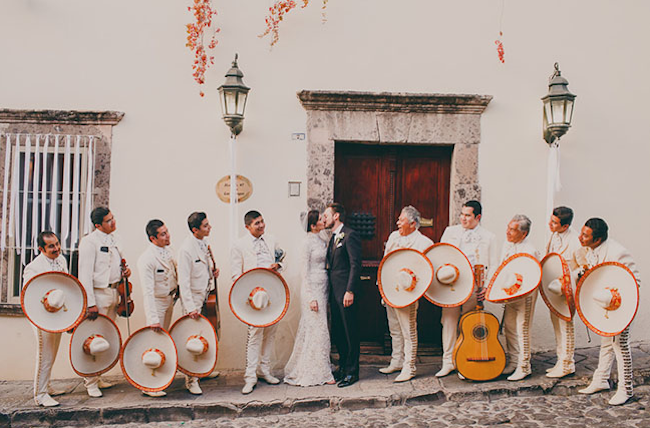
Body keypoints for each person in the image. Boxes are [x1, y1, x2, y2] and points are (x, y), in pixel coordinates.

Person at [574, 218, 641, 406]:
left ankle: (626, 389)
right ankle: (601, 379)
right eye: (582, 232)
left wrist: (618, 304)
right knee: (606, 343)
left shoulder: (618, 253)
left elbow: (633, 282)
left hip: (622, 306)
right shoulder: (590, 250)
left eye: (585, 236)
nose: (580, 237)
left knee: (621, 345)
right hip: (605, 304)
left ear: (598, 239)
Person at [437, 200, 498, 377]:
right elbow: (441, 254)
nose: (463, 218)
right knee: (448, 322)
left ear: (478, 217)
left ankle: (464, 360)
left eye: (468, 215)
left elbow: (493, 264)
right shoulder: (450, 232)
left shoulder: (489, 237)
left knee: (469, 322)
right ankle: (448, 361)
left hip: (474, 285)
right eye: (462, 214)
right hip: (451, 284)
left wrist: (487, 287)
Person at [231, 210, 285, 394]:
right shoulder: (239, 245)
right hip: (253, 296)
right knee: (255, 335)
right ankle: (250, 376)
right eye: (257, 223)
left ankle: (265, 370)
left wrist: (278, 265)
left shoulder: (272, 239)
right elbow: (235, 274)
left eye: (262, 221)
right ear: (248, 227)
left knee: (270, 333)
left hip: (272, 292)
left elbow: (281, 259)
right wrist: (246, 295)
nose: (261, 225)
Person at [378, 206, 433, 382]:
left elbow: (426, 272)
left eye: (401, 220)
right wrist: (382, 285)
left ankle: (410, 366)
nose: (398, 223)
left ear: (413, 223)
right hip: (391, 289)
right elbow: (386, 260)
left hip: (409, 293)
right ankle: (397, 360)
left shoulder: (425, 243)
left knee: (408, 329)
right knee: (393, 327)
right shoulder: (394, 237)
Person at [78, 207, 128, 397]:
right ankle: (90, 381)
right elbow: (85, 274)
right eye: (108, 221)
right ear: (98, 225)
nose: (113, 222)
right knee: (93, 339)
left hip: (114, 291)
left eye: (113, 218)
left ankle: (98, 376)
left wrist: (125, 273)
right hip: (98, 294)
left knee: (105, 338)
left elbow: (116, 265)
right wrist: (90, 302)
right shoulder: (89, 242)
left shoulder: (116, 239)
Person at [284, 210, 335, 386]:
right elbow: (304, 273)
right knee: (318, 329)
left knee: (320, 328)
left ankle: (322, 365)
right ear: (313, 225)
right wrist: (311, 297)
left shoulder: (322, 240)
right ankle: (320, 372)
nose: (324, 220)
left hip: (324, 287)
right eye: (321, 219)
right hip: (312, 289)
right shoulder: (306, 243)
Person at [23, 231, 68, 407]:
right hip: (41, 315)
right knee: (45, 354)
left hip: (58, 313)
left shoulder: (62, 260)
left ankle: (47, 386)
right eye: (51, 246)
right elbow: (28, 296)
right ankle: (40, 395)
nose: (56, 248)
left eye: (57, 244)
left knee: (53, 351)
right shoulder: (33, 268)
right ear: (41, 248)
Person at [178, 212, 219, 395]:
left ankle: (202, 370)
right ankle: (190, 378)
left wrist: (213, 272)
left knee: (205, 336)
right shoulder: (186, 249)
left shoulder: (205, 244)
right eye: (205, 226)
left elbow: (203, 269)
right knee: (192, 340)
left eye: (208, 224)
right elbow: (183, 282)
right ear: (195, 230)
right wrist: (190, 307)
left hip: (205, 296)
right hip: (193, 300)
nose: (209, 227)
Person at [137, 219, 178, 397]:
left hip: (170, 299)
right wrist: (153, 318)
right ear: (153, 238)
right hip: (157, 302)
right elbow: (147, 292)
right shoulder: (146, 259)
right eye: (163, 234)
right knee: (153, 343)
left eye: (167, 231)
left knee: (164, 340)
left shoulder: (169, 252)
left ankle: (159, 379)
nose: (167, 235)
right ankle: (147, 384)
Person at [323, 202, 362, 388]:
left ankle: (353, 372)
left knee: (350, 332)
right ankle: (343, 367)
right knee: (338, 332)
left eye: (326, 215)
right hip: (334, 292)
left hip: (345, 292)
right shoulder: (333, 238)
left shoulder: (350, 235)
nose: (324, 219)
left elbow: (355, 264)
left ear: (336, 215)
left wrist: (350, 290)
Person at [500, 214, 541, 381]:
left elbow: (531, 276)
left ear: (523, 234)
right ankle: (514, 360)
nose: (508, 232)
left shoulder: (530, 251)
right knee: (509, 326)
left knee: (522, 328)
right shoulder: (506, 245)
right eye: (508, 228)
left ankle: (524, 366)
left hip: (526, 295)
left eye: (513, 230)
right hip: (510, 294)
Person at [544, 206, 581, 378]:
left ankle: (567, 363)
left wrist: (567, 281)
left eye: (554, 223)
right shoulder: (554, 235)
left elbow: (583, 266)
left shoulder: (575, 241)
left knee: (566, 325)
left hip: (566, 288)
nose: (550, 224)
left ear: (565, 226)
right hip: (553, 288)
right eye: (551, 220)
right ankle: (560, 361)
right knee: (556, 325)